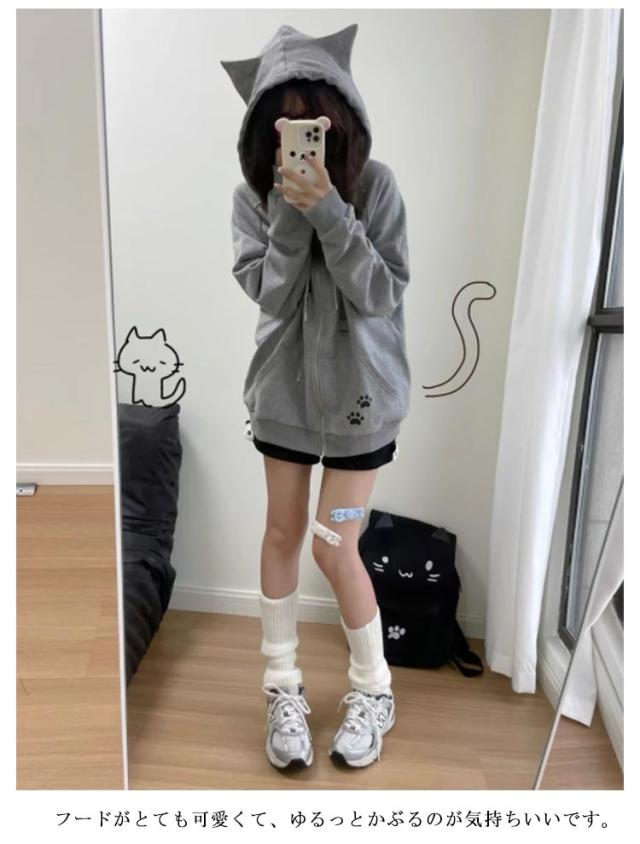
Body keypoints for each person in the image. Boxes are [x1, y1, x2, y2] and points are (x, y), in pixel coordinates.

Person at [221, 22, 411, 770]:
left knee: (335, 545)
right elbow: (271, 296)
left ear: (341, 120)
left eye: (314, 124)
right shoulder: (251, 200)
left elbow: (380, 294)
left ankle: (374, 688)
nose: (301, 140)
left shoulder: (377, 187)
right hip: (284, 397)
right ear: (264, 133)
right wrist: (291, 215)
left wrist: (332, 209)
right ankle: (281, 686)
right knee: (281, 533)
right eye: (285, 126)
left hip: (363, 399)